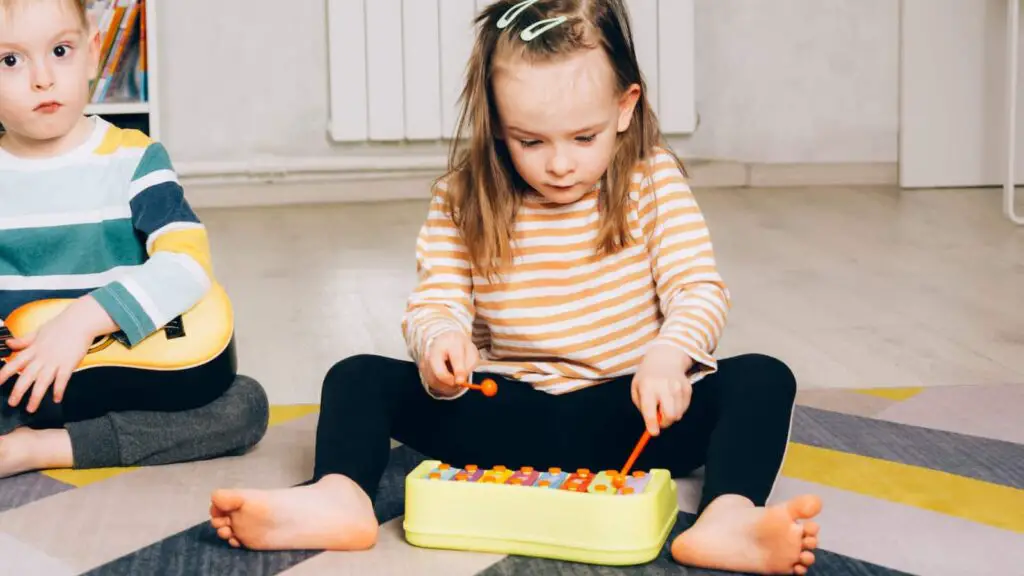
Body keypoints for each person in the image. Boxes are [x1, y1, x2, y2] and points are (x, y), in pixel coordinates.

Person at [209, 1, 822, 573]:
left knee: (763, 378)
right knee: (356, 376)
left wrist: (669, 355)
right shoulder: (460, 195)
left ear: (624, 107)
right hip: (506, 414)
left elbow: (698, 288)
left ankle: (728, 518)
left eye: (584, 138)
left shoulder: (651, 179)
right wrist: (441, 340)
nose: (559, 164)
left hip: (631, 415)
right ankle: (339, 497)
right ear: (498, 124)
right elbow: (437, 300)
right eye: (530, 141)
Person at [0, 0, 268, 478]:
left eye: (60, 50)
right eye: (11, 61)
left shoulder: (135, 159)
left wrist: (82, 320)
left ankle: (44, 449)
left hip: (124, 376)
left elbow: (187, 265)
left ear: (92, 52)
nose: (42, 78)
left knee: (245, 405)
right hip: (21, 387)